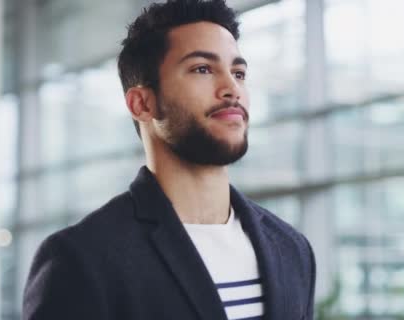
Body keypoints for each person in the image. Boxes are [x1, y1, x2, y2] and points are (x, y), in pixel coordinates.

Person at [22, 0, 316, 319]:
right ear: (142, 104)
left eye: (239, 72)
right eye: (202, 69)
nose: (232, 88)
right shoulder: (83, 258)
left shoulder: (291, 248)